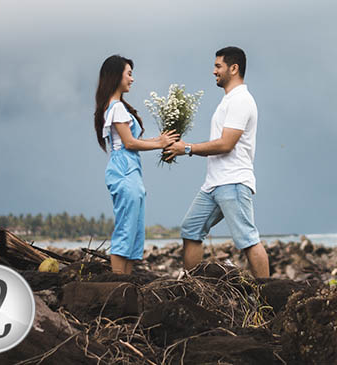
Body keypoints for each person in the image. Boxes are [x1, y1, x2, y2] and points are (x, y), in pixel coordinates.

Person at [165, 46, 270, 278]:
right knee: (191, 229)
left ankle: (267, 297)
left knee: (248, 239)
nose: (214, 71)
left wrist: (188, 148)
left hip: (233, 182)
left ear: (234, 68)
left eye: (218, 66)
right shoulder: (228, 100)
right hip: (214, 184)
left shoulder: (241, 100)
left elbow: (226, 144)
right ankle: (192, 286)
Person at [93, 55, 178, 274]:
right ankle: (118, 283)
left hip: (128, 169)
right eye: (129, 74)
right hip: (124, 170)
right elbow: (129, 143)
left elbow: (129, 142)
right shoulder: (117, 108)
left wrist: (160, 141)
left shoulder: (115, 107)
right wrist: (159, 143)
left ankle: (126, 282)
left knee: (134, 230)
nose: (132, 79)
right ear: (116, 76)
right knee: (126, 229)